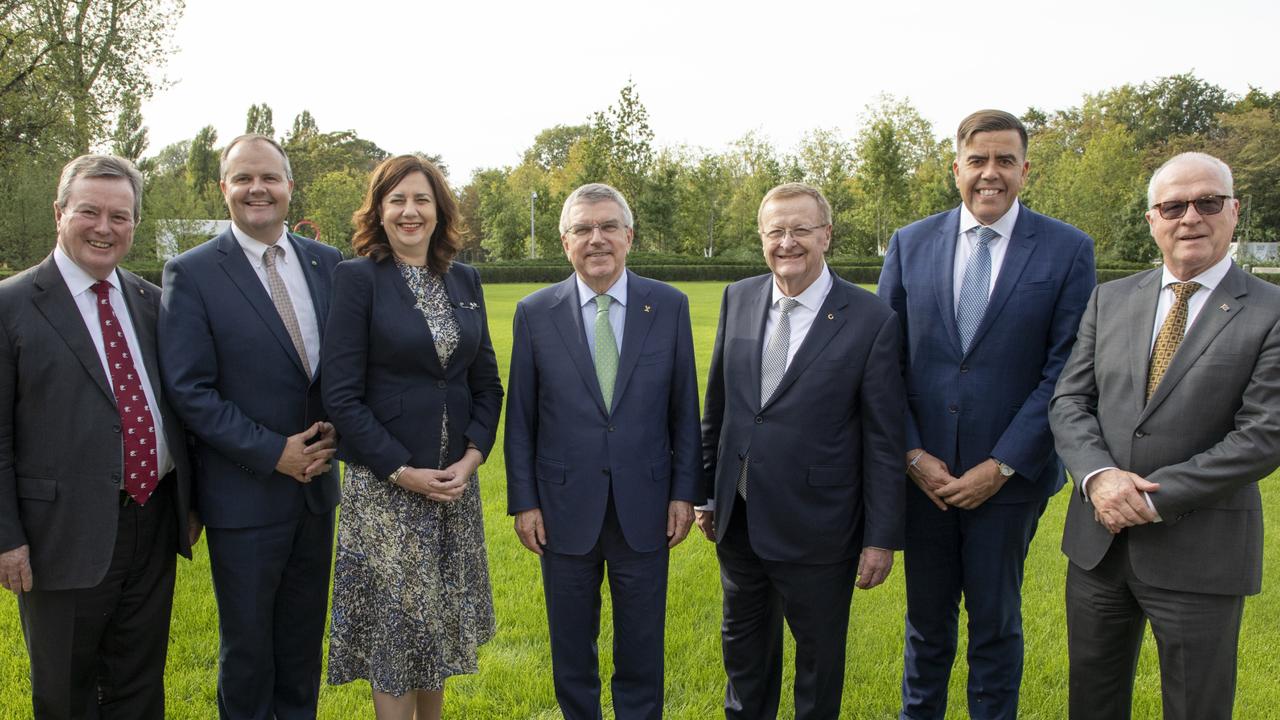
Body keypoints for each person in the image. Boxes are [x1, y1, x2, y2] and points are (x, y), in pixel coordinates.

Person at [877, 109, 1095, 719]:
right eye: (978, 160)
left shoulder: (1067, 250)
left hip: (1009, 484)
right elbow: (881, 364)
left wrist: (1000, 467)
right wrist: (914, 457)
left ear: (1026, 170)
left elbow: (1066, 372)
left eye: (1004, 161)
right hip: (924, 479)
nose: (990, 174)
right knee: (926, 626)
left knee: (996, 626)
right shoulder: (910, 243)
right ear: (957, 170)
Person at [1050, 152, 1280, 720]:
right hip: (1098, 549)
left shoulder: (1271, 311)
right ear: (1153, 219)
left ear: (1234, 211)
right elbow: (1071, 401)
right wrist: (1100, 479)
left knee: (1196, 706)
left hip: (1201, 553)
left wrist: (1151, 499)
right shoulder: (1111, 298)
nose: (1190, 218)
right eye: (1173, 206)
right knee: (1093, 703)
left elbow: (1264, 434)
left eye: (1207, 202)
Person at [698, 182, 905, 720]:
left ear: (826, 235)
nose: (787, 242)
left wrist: (880, 538)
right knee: (744, 659)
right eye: (775, 231)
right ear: (762, 238)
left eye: (800, 230)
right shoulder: (738, 297)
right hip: (739, 519)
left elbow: (884, 439)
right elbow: (718, 405)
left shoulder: (870, 317)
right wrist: (704, 493)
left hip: (821, 527)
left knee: (817, 665)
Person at [0, 154, 198, 718]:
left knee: (140, 680)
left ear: (135, 222)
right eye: (89, 212)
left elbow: (175, 410)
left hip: (152, 518)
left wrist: (188, 501)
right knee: (66, 689)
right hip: (58, 532)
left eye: (121, 216)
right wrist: (5, 536)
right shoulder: (10, 305)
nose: (105, 228)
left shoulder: (150, 302)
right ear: (60, 212)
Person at [158, 134, 340, 719]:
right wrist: (272, 452)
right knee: (249, 655)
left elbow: (343, 369)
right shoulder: (191, 273)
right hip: (244, 499)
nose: (257, 189)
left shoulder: (328, 263)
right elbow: (190, 390)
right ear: (224, 189)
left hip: (316, 496)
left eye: (269, 177)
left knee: (301, 649)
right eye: (243, 179)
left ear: (290, 186)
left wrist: (340, 428)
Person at [504, 182, 701, 720]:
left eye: (608, 227)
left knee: (642, 648)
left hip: (647, 507)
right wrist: (525, 501)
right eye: (583, 229)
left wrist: (686, 493)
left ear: (629, 237)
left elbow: (684, 409)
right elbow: (520, 417)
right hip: (563, 508)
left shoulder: (668, 305)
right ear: (565, 242)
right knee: (572, 651)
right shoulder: (535, 312)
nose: (597, 239)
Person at [321, 155, 503, 719]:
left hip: (452, 487)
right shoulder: (356, 280)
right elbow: (342, 396)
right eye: (397, 199)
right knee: (397, 642)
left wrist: (471, 459)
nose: (410, 211)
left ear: (439, 209)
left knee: (436, 634)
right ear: (378, 210)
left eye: (421, 199)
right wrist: (402, 470)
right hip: (388, 490)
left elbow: (488, 383)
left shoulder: (464, 278)